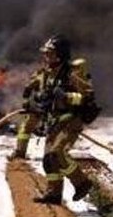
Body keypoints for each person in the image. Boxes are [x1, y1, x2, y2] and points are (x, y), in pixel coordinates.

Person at [20, 34, 98, 204]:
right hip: (54, 122)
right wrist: (40, 100)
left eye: (50, 53)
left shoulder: (72, 72)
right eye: (45, 53)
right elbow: (44, 94)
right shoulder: (48, 73)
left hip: (71, 120)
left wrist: (65, 96)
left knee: (58, 152)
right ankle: (54, 194)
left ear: (60, 54)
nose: (46, 56)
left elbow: (87, 97)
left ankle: (82, 183)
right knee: (49, 160)